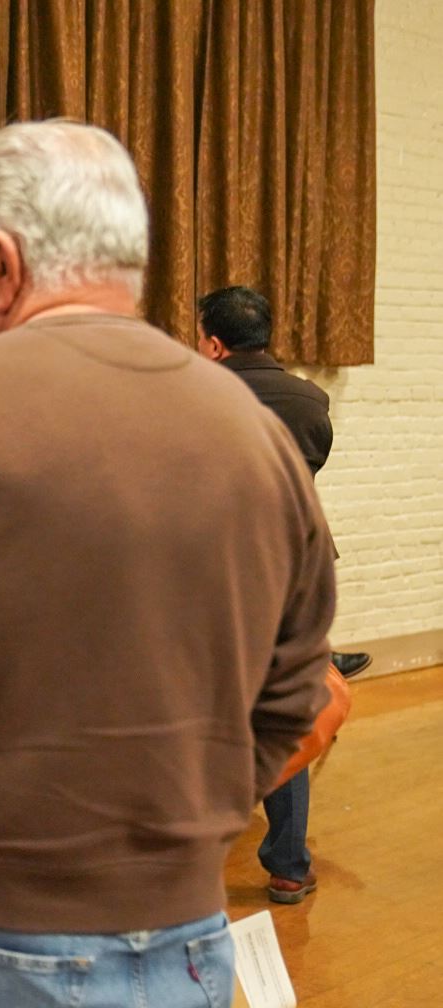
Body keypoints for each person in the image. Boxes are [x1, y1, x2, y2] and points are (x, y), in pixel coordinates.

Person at [0, 121, 336, 1008]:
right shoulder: (255, 434)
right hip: (189, 937)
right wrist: (193, 825)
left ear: (2, 262)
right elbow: (298, 679)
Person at [196, 283, 361, 903]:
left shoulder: (193, 395)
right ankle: (288, 865)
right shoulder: (310, 398)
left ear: (213, 342)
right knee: (284, 712)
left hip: (210, 580)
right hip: (291, 574)